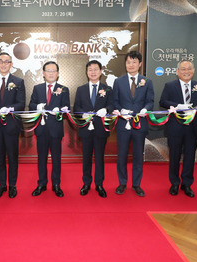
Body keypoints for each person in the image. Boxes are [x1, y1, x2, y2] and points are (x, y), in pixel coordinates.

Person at [159, 60, 197, 198]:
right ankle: (174, 183)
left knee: (190, 156)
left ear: (193, 70)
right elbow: (163, 101)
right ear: (177, 71)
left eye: (189, 69)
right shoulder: (170, 86)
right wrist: (178, 105)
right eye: (183, 69)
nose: (186, 71)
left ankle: (187, 184)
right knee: (174, 156)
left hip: (192, 127)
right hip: (175, 126)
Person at [0, 52, 26, 199]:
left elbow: (21, 103)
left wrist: (10, 109)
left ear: (11, 64)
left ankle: (12, 185)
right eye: (1, 61)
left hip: (11, 126)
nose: (3, 64)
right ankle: (2, 185)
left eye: (6, 61)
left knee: (12, 157)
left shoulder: (18, 82)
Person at [112, 51, 154, 197]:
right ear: (125, 64)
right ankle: (122, 183)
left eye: (134, 62)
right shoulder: (118, 81)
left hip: (140, 124)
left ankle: (136, 184)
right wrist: (120, 110)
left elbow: (150, 101)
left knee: (138, 155)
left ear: (140, 64)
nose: (131, 65)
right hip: (123, 124)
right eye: (128, 62)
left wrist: (145, 109)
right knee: (122, 155)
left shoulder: (147, 81)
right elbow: (114, 101)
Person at [29, 61, 70, 197]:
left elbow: (66, 107)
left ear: (58, 74)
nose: (51, 73)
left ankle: (56, 184)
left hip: (55, 130)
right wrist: (38, 107)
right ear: (43, 73)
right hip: (41, 130)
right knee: (41, 158)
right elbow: (31, 105)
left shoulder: (64, 89)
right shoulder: (37, 88)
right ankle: (41, 183)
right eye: (48, 71)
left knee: (56, 158)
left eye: (54, 71)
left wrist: (61, 110)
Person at [73, 60, 113, 198]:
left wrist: (106, 109)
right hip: (86, 129)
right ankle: (86, 183)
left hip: (101, 129)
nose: (93, 72)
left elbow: (112, 105)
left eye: (96, 69)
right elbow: (76, 107)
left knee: (100, 158)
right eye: (90, 69)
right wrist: (82, 114)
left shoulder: (107, 89)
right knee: (86, 157)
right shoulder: (81, 89)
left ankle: (99, 184)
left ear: (101, 72)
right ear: (86, 72)